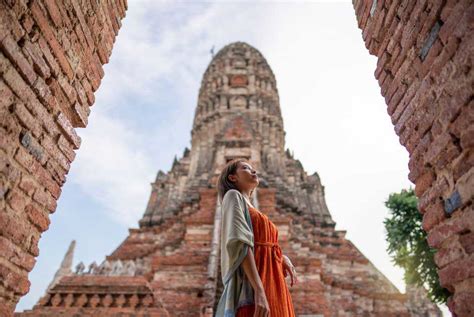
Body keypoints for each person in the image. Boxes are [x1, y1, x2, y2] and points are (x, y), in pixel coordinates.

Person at [215, 158, 297, 317]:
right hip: (255, 284)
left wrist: (281, 257)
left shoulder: (253, 208)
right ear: (233, 177)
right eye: (246, 168)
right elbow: (240, 243)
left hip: (274, 280)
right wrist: (259, 292)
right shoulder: (233, 196)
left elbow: (261, 242)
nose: (254, 171)